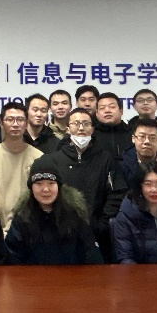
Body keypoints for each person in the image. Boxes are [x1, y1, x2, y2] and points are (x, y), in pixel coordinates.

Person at [32, 108, 124, 262]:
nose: (81, 128)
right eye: (76, 123)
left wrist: (101, 224)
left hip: (98, 233)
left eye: (86, 124)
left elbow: (116, 193)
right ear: (68, 129)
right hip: (61, 233)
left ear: (92, 129)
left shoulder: (105, 158)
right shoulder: (54, 160)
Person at [5, 163, 102, 265]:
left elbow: (91, 256)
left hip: (71, 274)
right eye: (39, 184)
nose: (45, 189)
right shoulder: (21, 219)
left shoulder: (75, 215)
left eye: (51, 183)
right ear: (31, 188)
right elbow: (13, 260)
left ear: (58, 186)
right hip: (32, 275)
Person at [0, 102, 44, 230]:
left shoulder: (39, 157)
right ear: (1, 123)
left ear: (26, 123)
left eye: (20, 120)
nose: (15, 124)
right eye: (10, 119)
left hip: (32, 229)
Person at [93, 92, 132, 159]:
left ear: (121, 111)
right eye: (102, 108)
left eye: (112, 107)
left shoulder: (133, 133)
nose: (107, 111)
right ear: (97, 114)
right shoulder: (92, 135)